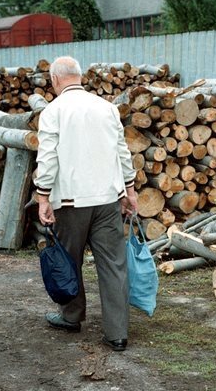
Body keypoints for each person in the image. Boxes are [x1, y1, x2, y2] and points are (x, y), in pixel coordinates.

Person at [34, 56, 138, 352]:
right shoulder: (107, 108)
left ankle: (72, 316)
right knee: (114, 265)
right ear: (80, 77)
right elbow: (122, 152)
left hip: (70, 202)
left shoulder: (52, 112)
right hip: (107, 199)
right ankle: (117, 333)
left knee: (70, 260)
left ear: (54, 80)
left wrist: (43, 197)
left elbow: (48, 158)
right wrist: (129, 190)